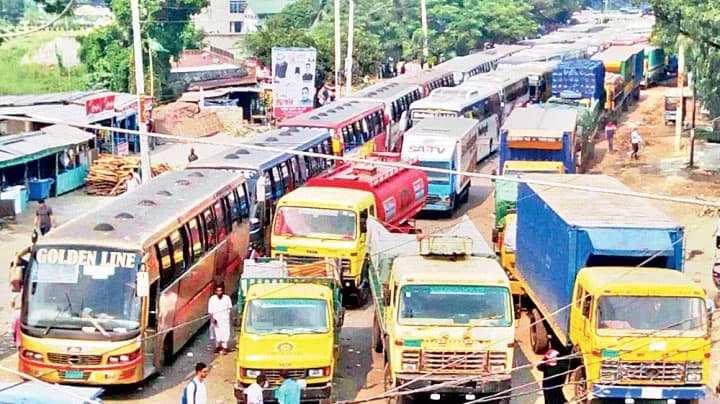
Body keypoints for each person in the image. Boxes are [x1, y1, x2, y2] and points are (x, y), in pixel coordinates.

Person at [208, 282, 233, 354]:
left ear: (223, 291)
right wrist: (213, 319)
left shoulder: (227, 298)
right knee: (217, 333)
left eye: (220, 291)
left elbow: (229, 309)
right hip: (216, 320)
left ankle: (225, 347)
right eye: (218, 291)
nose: (219, 292)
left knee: (225, 333)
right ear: (215, 291)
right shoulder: (212, 299)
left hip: (225, 319)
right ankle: (218, 346)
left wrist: (231, 319)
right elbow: (210, 311)